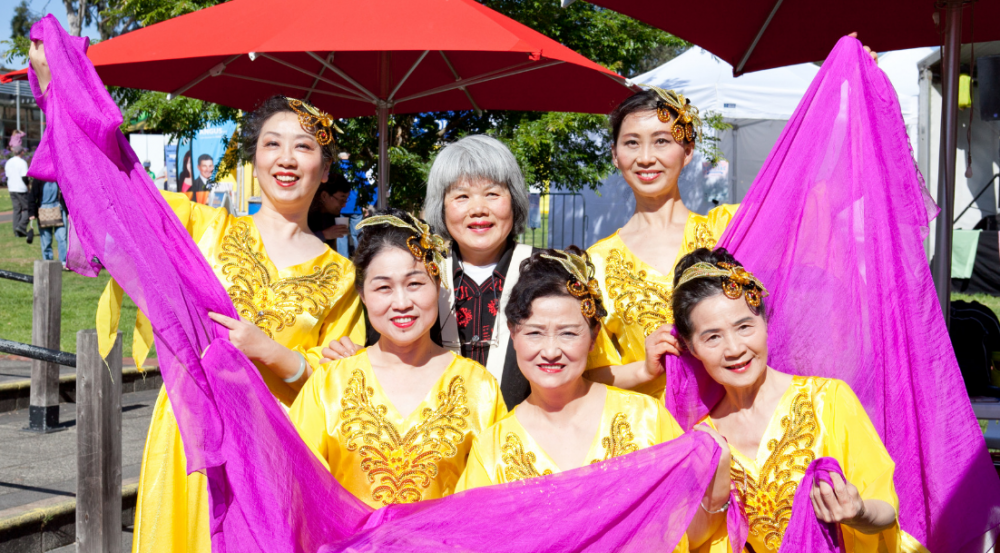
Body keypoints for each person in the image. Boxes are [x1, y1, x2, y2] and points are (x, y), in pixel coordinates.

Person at [91, 97, 367, 553]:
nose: (286, 158)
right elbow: (119, 189)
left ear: (323, 170)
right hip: (193, 437)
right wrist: (58, 87)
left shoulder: (342, 278)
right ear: (254, 159)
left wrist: (273, 353)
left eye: (303, 147)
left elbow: (340, 385)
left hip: (274, 452)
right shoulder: (203, 229)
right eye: (272, 143)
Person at [454, 247, 731, 549]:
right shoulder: (492, 448)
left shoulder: (647, 419)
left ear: (593, 336)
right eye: (534, 333)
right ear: (513, 334)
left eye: (568, 334)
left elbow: (689, 534)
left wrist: (716, 488)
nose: (550, 351)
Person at [669, 247, 901, 552]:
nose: (734, 348)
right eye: (713, 337)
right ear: (691, 347)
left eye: (744, 327)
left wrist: (858, 512)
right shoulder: (701, 437)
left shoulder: (828, 400)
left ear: (765, 323)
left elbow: (886, 509)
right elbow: (691, 540)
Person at [290, 209, 506, 508]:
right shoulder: (327, 385)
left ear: (439, 286)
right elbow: (298, 487)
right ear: (363, 296)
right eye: (383, 287)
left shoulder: (480, 388)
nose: (402, 303)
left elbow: (494, 500)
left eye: (415, 283)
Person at [325, 135, 536, 410]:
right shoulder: (416, 272)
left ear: (515, 200)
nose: (478, 209)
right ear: (442, 206)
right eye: (461, 196)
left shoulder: (546, 274)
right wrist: (350, 355)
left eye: (493, 193)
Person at [583, 88, 738, 400]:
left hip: (736, 427)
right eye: (631, 143)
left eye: (662, 141)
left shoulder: (728, 229)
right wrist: (644, 369)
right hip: (651, 436)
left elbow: (815, 199)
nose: (645, 158)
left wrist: (862, 89)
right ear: (615, 155)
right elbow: (588, 373)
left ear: (688, 150)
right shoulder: (595, 263)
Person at [307, 168, 351, 255]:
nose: (343, 205)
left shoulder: (331, 216)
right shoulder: (304, 214)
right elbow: (297, 243)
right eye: (341, 199)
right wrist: (324, 235)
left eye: (346, 200)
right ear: (324, 196)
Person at [28, 178, 67, 267]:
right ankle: (48, 263)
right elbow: (32, 197)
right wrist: (32, 213)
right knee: (46, 241)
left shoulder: (59, 178)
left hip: (59, 210)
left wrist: (68, 212)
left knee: (62, 238)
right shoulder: (38, 180)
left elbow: (66, 196)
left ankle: (63, 262)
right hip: (43, 211)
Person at [5, 132, 31, 238]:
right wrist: (28, 187)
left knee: (16, 209)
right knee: (27, 209)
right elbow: (24, 177)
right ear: (21, 152)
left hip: (12, 188)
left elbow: (6, 176)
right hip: (21, 188)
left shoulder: (9, 162)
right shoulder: (22, 163)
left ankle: (16, 230)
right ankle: (21, 226)